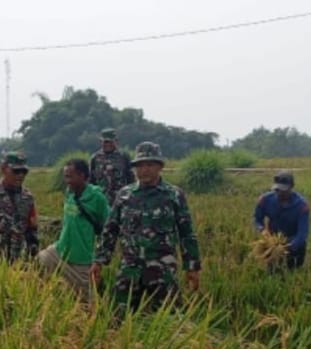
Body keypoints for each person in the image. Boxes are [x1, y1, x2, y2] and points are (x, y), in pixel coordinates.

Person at [91, 142, 201, 314]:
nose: (144, 170)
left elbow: (186, 233)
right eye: (140, 166)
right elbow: (110, 230)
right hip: (130, 268)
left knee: (168, 319)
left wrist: (192, 267)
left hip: (162, 270)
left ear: (160, 167)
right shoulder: (125, 195)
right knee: (118, 317)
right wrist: (99, 261)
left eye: (150, 165)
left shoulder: (174, 195)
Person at [38, 158, 109, 302]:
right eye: (65, 176)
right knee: (40, 259)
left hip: (81, 259)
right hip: (60, 251)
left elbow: (110, 226)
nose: (67, 180)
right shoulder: (69, 193)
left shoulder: (97, 197)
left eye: (70, 176)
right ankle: (51, 298)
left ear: (82, 175)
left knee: (89, 303)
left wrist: (100, 259)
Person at [253, 171, 310, 270]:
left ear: (292, 187)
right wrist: (262, 230)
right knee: (273, 272)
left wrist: (287, 247)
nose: (280, 193)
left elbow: (302, 233)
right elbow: (257, 219)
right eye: (277, 189)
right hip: (272, 242)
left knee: (293, 273)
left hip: (293, 243)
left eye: (284, 190)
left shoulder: (302, 206)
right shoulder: (265, 200)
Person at [90, 128, 134, 207]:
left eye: (110, 142)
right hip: (100, 201)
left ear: (115, 141)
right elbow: (91, 181)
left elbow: (131, 179)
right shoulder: (95, 158)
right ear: (101, 142)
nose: (107, 144)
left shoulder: (123, 157)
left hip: (120, 201)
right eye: (105, 142)